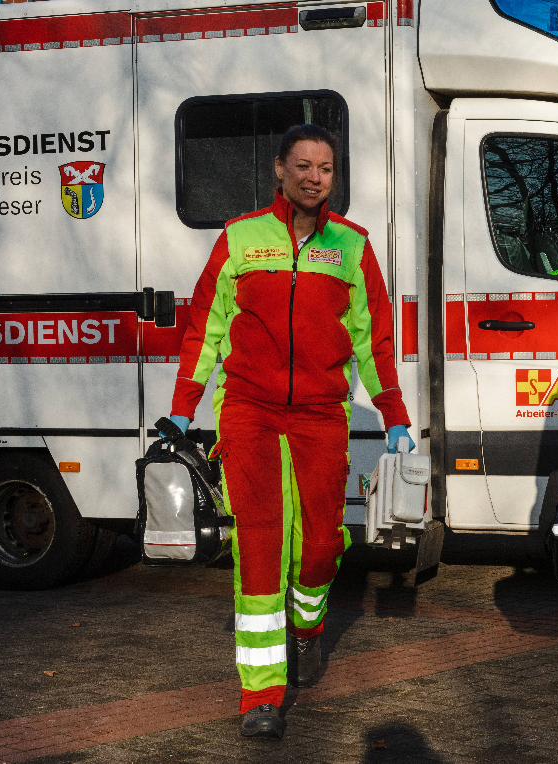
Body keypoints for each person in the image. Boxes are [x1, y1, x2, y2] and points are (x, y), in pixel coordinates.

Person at [165, 124, 413, 739]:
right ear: (279, 169)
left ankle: (308, 625)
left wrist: (396, 414)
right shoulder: (241, 238)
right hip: (247, 409)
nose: (313, 177)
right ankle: (260, 695)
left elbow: (373, 339)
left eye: (325, 168)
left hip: (321, 413)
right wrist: (182, 406)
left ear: (334, 177)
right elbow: (206, 328)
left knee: (322, 544)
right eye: (302, 165)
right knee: (260, 542)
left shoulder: (351, 246)